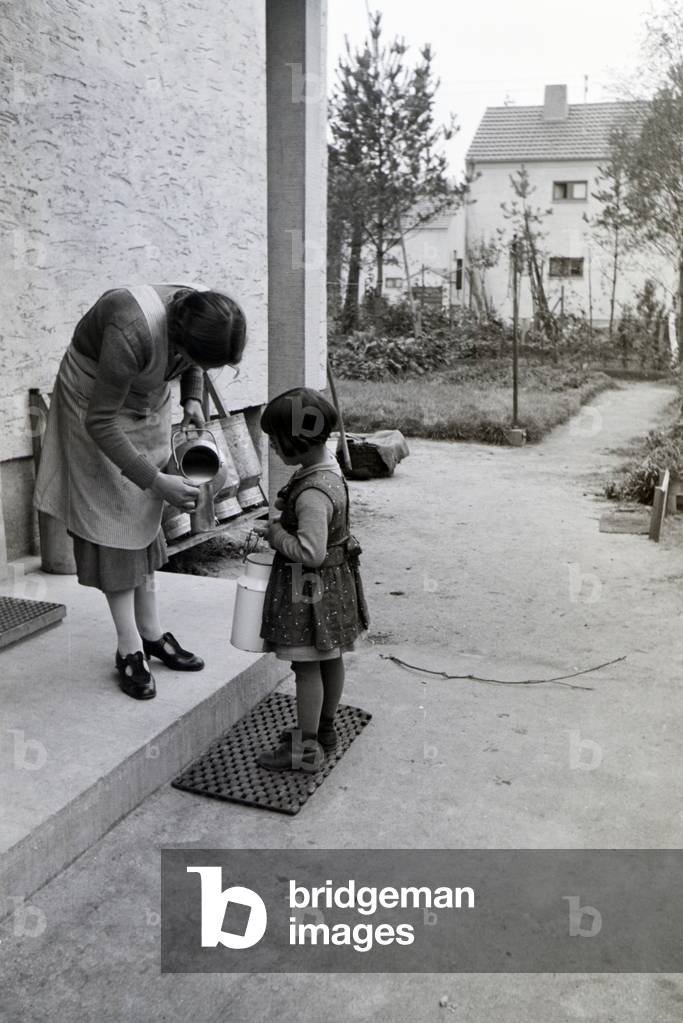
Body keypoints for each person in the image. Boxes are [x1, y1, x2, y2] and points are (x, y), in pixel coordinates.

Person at [34, 283, 246, 700]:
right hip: (95, 408)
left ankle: (151, 632)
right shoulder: (130, 327)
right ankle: (128, 647)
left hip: (144, 397)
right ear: (180, 341)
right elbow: (101, 422)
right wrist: (156, 479)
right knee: (114, 524)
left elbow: (193, 362)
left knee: (144, 518)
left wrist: (193, 399)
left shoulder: (199, 309)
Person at [254, 387, 369, 771]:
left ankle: (304, 750)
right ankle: (324, 728)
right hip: (336, 588)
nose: (271, 446)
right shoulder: (328, 468)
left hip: (310, 590)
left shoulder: (313, 495)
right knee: (330, 657)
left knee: (306, 667)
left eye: (275, 439)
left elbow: (310, 552)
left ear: (296, 442)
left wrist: (276, 534)